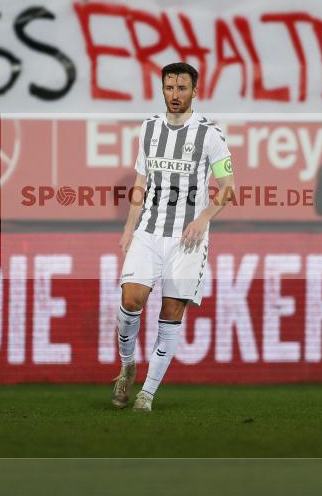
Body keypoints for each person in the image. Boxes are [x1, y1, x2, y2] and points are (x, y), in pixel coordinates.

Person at [111, 62, 235, 412]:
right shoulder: (148, 129)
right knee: (131, 301)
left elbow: (228, 188)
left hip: (188, 240)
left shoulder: (210, 134)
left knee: (170, 311)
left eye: (182, 88)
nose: (175, 95)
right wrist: (128, 228)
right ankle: (126, 365)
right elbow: (140, 183)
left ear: (195, 91)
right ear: (162, 89)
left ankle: (146, 394)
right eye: (169, 88)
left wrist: (203, 218)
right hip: (149, 231)